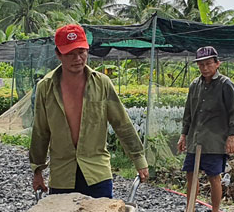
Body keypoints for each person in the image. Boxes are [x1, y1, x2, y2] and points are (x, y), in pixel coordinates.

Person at [29, 24, 148, 196]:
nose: (77, 58)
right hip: (62, 175)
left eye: (81, 52)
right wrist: (37, 171)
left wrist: (139, 159)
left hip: (97, 173)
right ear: (58, 54)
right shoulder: (45, 88)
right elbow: (40, 131)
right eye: (70, 53)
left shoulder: (102, 83)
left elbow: (122, 123)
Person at [177, 46, 234, 212]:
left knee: (214, 176)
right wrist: (183, 135)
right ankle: (190, 211)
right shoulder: (195, 85)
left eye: (208, 64)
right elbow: (188, 112)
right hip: (195, 138)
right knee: (191, 174)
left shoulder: (225, 84)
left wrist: (232, 136)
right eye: (201, 65)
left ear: (217, 64)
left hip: (214, 140)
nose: (205, 68)